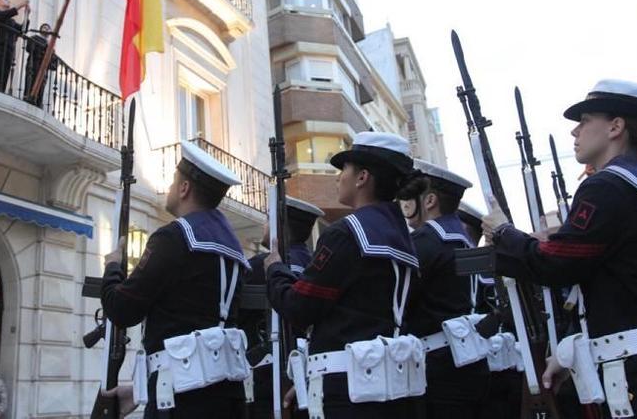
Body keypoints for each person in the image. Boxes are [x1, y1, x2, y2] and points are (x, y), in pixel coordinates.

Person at [482, 80, 637, 418]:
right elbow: (616, 290)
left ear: (615, 127)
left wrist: (504, 234)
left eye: (585, 120)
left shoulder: (608, 186)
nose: (575, 131)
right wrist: (571, 355)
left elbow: (557, 265)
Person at [264, 131, 423, 418]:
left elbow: (300, 307)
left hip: (348, 393)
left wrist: (275, 269)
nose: (339, 177)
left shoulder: (348, 233)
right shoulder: (405, 237)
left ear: (362, 177)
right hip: (393, 388)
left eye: (344, 170)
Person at [100, 141, 251, 419]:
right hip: (227, 397)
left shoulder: (174, 237)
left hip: (179, 400)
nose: (169, 188)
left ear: (184, 189)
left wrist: (111, 268)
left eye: (173, 182)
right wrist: (139, 389)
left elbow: (122, 308)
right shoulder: (234, 250)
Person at [400, 160, 490, 418]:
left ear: (429, 201)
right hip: (470, 361)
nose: (405, 204)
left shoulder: (426, 240)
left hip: (437, 366)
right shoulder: (464, 242)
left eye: (410, 196)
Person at [241, 196, 325, 418]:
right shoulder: (315, 266)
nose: (264, 226)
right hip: (309, 372)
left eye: (268, 221)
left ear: (279, 228)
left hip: (265, 373)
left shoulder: (260, 265)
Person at [0, 0, 29, 92]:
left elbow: (22, 30)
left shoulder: (11, 21)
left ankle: (0, 91)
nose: (8, 0)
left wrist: (27, 15)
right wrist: (19, 6)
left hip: (8, 49)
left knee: (4, 74)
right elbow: (1, 16)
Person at [24, 22, 58, 107]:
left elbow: (53, 63)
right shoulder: (35, 38)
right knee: (31, 81)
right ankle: (28, 96)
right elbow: (29, 48)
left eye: (48, 28)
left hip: (43, 69)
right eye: (44, 27)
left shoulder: (50, 46)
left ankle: (39, 102)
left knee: (41, 85)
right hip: (34, 64)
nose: (46, 29)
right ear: (40, 30)